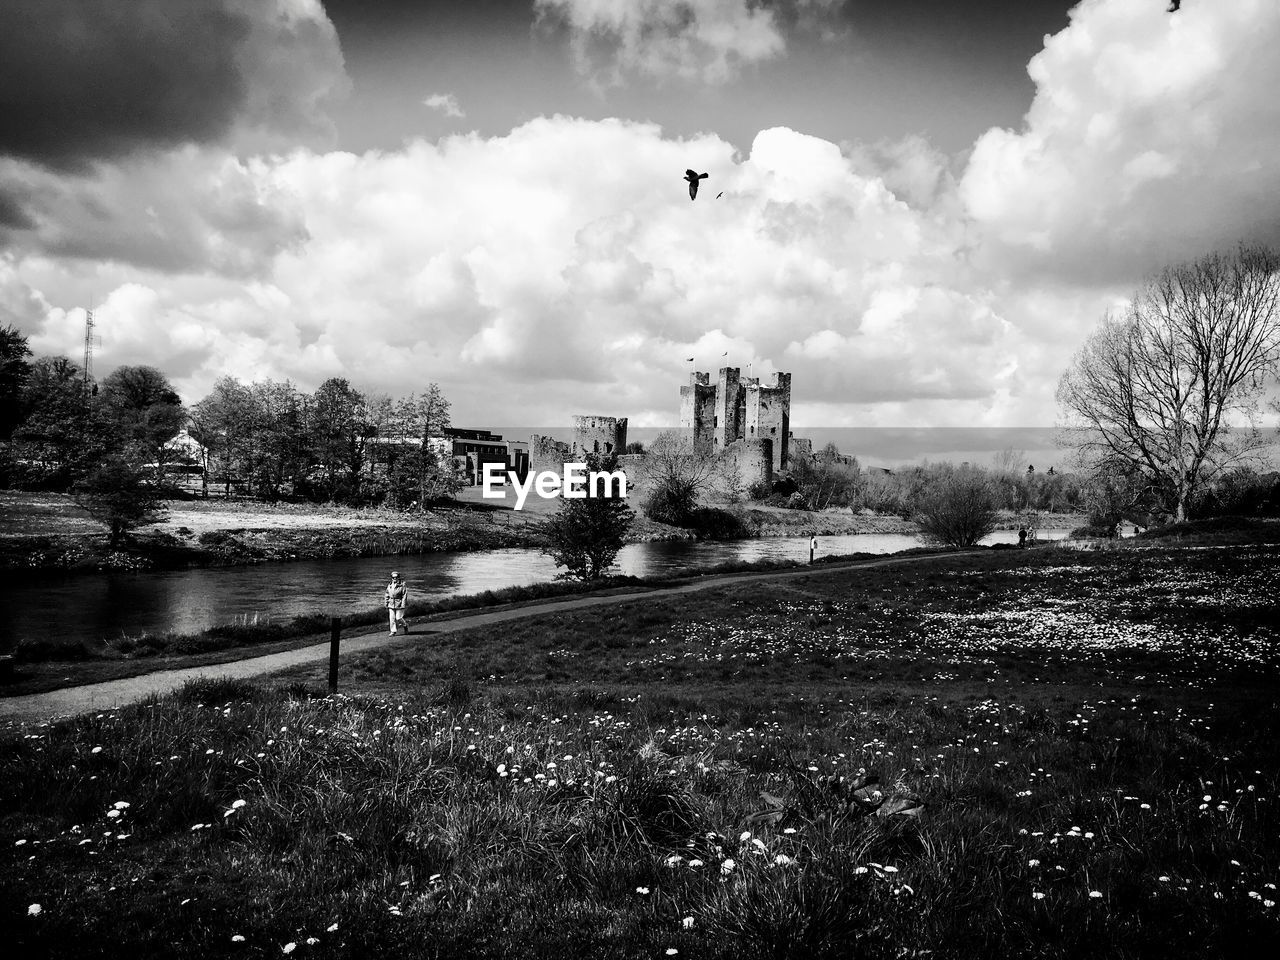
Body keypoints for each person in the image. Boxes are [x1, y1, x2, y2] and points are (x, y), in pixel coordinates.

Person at [385, 571, 409, 635]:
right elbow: (387, 594)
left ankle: (405, 625)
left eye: (396, 577)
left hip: (399, 603)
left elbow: (404, 595)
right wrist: (386, 603)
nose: (394, 579)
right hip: (391, 603)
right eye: (393, 577)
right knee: (392, 618)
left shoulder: (402, 585)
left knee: (398, 618)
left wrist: (403, 604)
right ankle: (393, 631)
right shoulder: (389, 585)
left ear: (398, 578)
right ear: (391, 578)